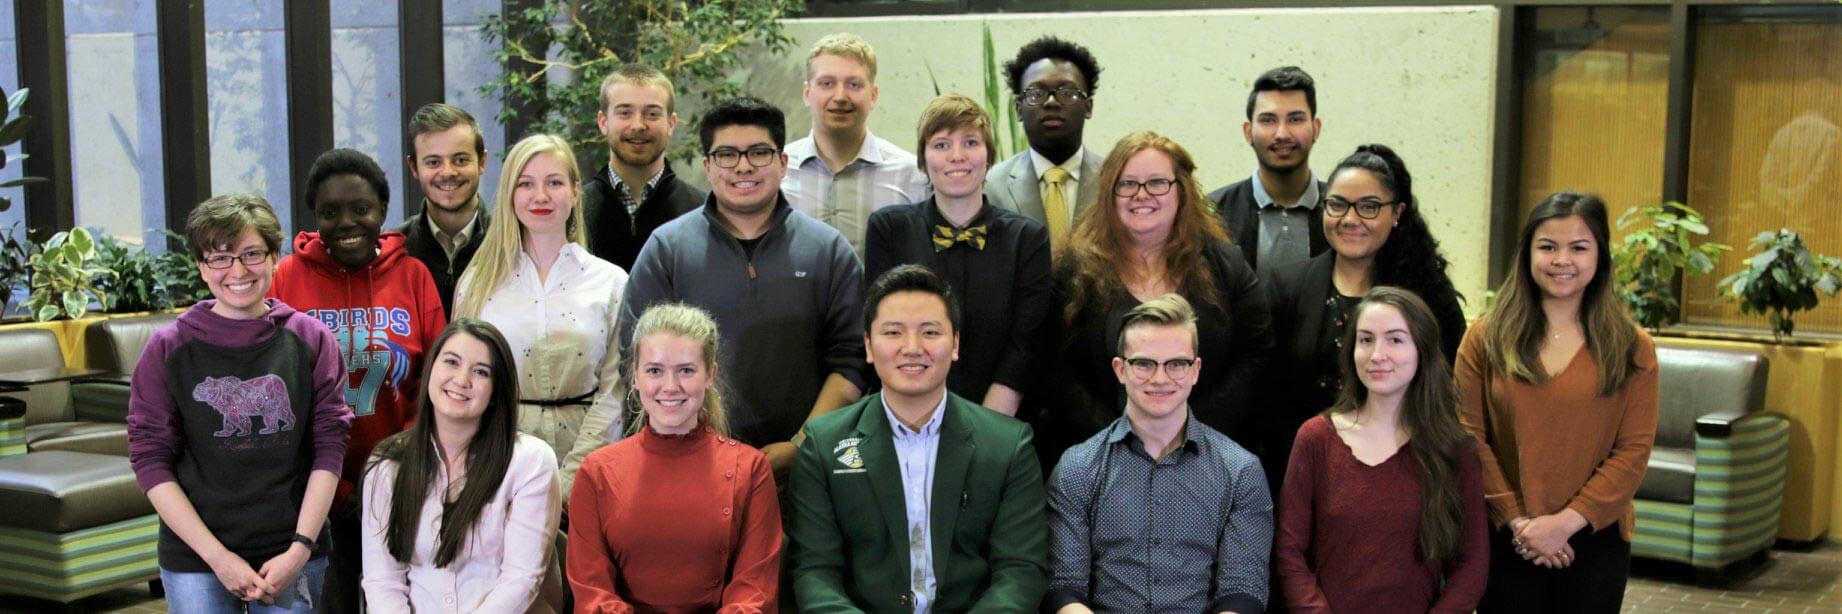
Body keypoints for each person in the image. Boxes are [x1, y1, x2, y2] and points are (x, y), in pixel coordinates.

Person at [620, 96, 867, 479]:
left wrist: (801, 445)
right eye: (726, 155)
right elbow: (635, 359)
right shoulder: (667, 249)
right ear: (707, 166)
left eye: (759, 152)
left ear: (783, 163)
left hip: (806, 469)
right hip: (689, 467)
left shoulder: (828, 250)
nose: (743, 166)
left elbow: (851, 361)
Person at [127, 194, 353, 612]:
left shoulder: (311, 340)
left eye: (251, 254)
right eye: (220, 258)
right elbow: (150, 459)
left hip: (293, 549)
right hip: (197, 554)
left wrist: (300, 548)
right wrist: (217, 558)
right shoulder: (167, 349)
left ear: (274, 258)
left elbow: (330, 446)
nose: (238, 271)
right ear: (201, 266)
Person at [788, 265, 1047, 612]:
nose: (912, 348)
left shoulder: (1008, 444)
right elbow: (815, 573)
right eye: (893, 332)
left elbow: (1020, 572)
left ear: (955, 344)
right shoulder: (823, 444)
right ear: (868, 346)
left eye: (930, 332)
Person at [1458, 192, 1658, 612]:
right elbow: (1467, 435)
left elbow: (1633, 451)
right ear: (1527, 253)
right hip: (1505, 536)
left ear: (1600, 256)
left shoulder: (1631, 346)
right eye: (1548, 246)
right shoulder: (1485, 338)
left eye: (1579, 247)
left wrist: (1564, 524)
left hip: (1595, 538)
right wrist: (1518, 522)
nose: (1562, 260)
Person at [270, 148, 448, 613]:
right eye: (329, 212)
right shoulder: (286, 277)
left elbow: (436, 381)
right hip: (314, 490)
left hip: (402, 482)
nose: (346, 222)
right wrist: (338, 490)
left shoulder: (413, 276)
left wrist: (398, 468)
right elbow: (276, 389)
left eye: (361, 209)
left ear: (383, 211)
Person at [1039, 131, 1273, 463]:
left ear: (1181, 191)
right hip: (1100, 456)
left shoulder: (1224, 264)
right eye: (1127, 184)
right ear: (1109, 194)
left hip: (1208, 456)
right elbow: (1053, 365)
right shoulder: (1073, 270)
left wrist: (1190, 436)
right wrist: (1120, 440)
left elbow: (1256, 353)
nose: (1141, 194)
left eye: (1157, 183)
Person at [1254, 144, 1466, 494]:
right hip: (1303, 473)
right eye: (1337, 204)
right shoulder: (1287, 286)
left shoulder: (1428, 295)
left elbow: (1443, 390)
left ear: (1397, 213)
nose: (1350, 219)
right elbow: (1267, 393)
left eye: (1369, 207)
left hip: (1406, 474)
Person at [1047, 293, 1273, 614]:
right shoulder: (1077, 467)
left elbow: (1244, 590)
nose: (1160, 379)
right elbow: (1064, 587)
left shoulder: (1240, 471)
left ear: (1195, 370)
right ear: (1120, 369)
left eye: (1176, 364)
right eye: (1143, 363)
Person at [1274, 287, 1488, 612]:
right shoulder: (1316, 438)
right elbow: (1289, 551)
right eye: (1366, 339)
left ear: (1422, 350)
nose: (1377, 354)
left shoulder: (1454, 449)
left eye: (1395, 340)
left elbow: (1471, 565)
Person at [568, 303, 781, 612]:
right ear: (635, 376)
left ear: (710, 374)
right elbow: (592, 594)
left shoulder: (751, 469)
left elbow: (754, 594)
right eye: (655, 370)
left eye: (686, 370)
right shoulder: (596, 472)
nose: (670, 387)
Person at [452, 134, 628, 497]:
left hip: (593, 467)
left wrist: (571, 480)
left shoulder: (611, 282)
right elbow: (462, 385)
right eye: (526, 184)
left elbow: (615, 390)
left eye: (555, 183)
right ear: (510, 195)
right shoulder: (477, 284)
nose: (541, 196)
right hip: (497, 468)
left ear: (576, 192)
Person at [864, 93, 1051, 416]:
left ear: (989, 156)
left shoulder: (1027, 238)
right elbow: (882, 329)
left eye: (971, 143)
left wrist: (987, 425)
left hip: (1003, 418)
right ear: (922, 160)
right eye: (941, 145)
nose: (957, 156)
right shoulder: (889, 229)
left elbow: (1028, 342)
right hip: (909, 413)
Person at [360, 318, 564, 612]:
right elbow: (383, 582)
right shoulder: (387, 464)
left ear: (496, 390)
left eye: (480, 371)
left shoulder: (530, 461)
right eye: (451, 362)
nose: (462, 379)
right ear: (431, 369)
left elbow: (521, 580)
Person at [781, 32, 930, 254]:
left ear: (873, 95)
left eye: (854, 84)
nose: (840, 96)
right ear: (806, 93)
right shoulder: (776, 172)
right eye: (827, 83)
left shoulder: (911, 176)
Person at [986, 35, 1106, 251]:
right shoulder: (991, 185)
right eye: (1036, 93)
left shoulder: (1114, 180)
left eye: (1067, 93)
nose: (1052, 102)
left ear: (1088, 107)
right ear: (1018, 109)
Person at [582, 63, 706, 271]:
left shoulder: (704, 212)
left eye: (652, 114)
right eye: (625, 113)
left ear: (671, 123)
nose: (638, 125)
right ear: (603, 122)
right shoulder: (573, 213)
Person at [1209, 66, 1329, 271]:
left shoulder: (1342, 212)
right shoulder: (1212, 214)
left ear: (1316, 128)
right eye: (1268, 120)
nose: (1282, 133)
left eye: (1295, 119)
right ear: (1248, 132)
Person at [394, 102, 491, 316]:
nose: (448, 172)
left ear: (482, 161)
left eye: (460, 160)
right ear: (414, 167)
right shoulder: (394, 252)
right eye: (433, 162)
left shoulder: (511, 245)